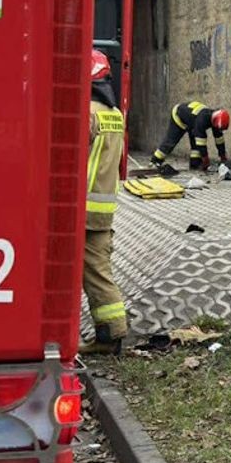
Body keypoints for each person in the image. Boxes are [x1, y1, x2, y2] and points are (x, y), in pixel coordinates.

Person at [83, 50, 128, 355]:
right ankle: (112, 334)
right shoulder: (114, 115)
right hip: (103, 211)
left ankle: (109, 337)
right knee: (99, 271)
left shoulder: (85, 113)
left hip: (80, 211)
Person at [151, 99, 231, 173]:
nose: (218, 129)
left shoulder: (215, 119)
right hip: (179, 116)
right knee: (171, 141)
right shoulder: (202, 120)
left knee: (196, 143)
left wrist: (223, 156)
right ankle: (155, 161)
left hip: (192, 120)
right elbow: (201, 143)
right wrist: (206, 160)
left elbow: (219, 139)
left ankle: (195, 163)